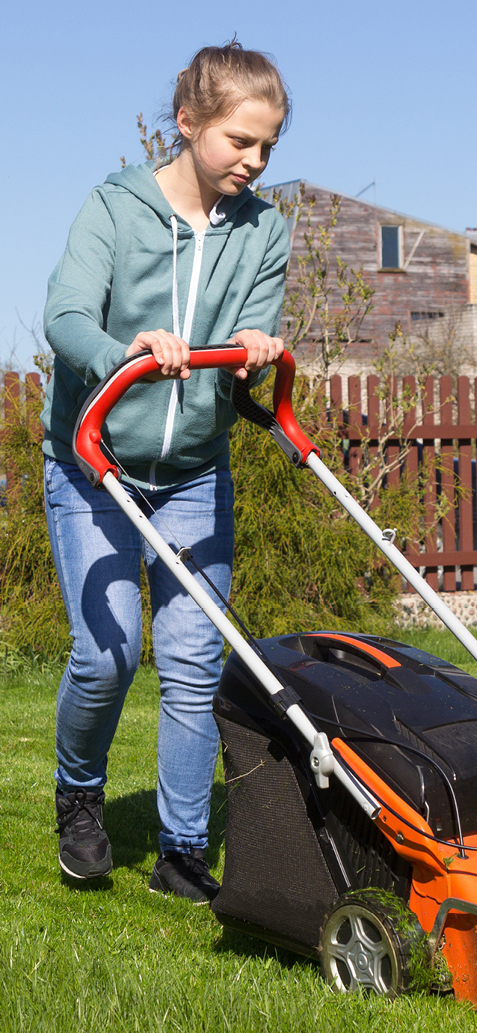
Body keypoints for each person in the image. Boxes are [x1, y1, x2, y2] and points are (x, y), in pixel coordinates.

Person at [42, 41, 290, 902]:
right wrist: (128, 354)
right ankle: (79, 791)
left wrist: (254, 355)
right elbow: (65, 317)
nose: (254, 163)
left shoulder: (265, 229)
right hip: (94, 459)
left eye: (268, 148)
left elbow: (248, 346)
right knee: (106, 654)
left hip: (190, 469)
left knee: (190, 660)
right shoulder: (114, 209)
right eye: (239, 142)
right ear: (188, 125)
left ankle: (182, 849)